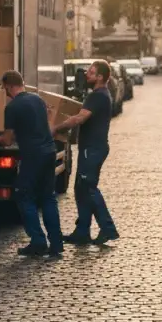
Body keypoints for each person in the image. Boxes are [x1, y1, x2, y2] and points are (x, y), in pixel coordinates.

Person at [0, 70, 63, 258]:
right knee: (48, 198)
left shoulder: (12, 107)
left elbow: (7, 140)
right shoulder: (38, 99)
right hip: (49, 151)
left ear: (8, 86)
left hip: (33, 155)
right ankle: (56, 244)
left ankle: (38, 241)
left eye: (4, 88)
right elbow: (39, 127)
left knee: (23, 195)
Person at [56, 60, 120, 246]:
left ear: (100, 77)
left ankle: (108, 229)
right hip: (91, 148)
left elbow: (80, 118)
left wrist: (56, 128)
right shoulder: (98, 95)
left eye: (91, 73)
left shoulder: (98, 96)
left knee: (88, 188)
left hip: (93, 149)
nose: (86, 75)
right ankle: (82, 231)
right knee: (80, 188)